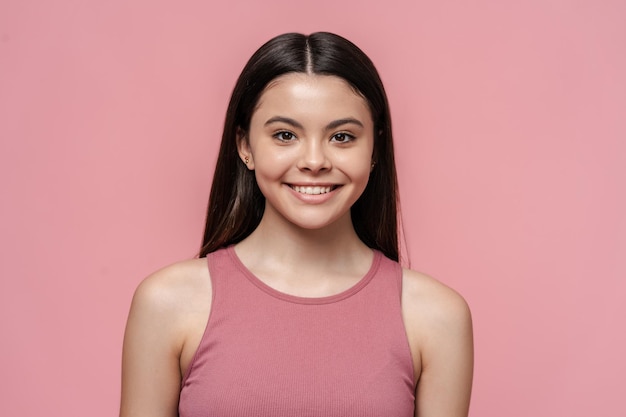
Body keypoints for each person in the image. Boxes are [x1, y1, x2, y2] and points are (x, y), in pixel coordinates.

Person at [120, 32, 473, 417]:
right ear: (245, 146)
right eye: (285, 135)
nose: (315, 160)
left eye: (342, 137)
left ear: (374, 150)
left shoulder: (436, 317)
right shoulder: (168, 304)